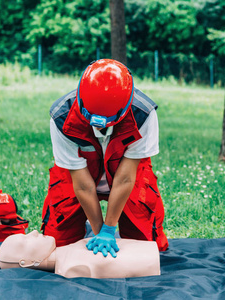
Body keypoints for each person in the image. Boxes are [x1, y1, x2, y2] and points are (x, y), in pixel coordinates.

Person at [41, 59, 168, 258]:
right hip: (78, 178)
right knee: (57, 247)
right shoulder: (61, 117)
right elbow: (82, 186)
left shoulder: (143, 114)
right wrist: (100, 231)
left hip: (128, 177)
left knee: (147, 250)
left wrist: (110, 229)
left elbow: (126, 179)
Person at [0, 230, 160, 278]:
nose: (33, 232)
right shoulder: (73, 267)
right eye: (25, 240)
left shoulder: (68, 254)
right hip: (150, 262)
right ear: (26, 262)